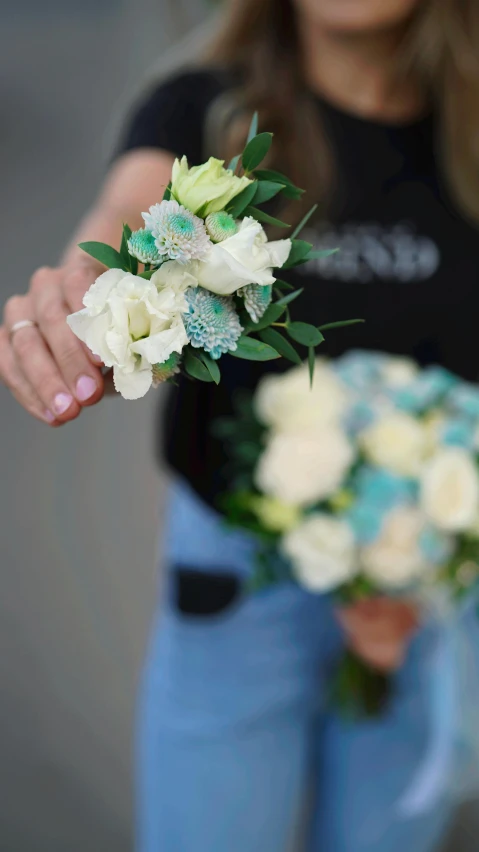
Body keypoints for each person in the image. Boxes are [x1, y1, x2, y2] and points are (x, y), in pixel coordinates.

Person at [2, 0, 479, 849]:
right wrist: (86, 306)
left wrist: (419, 555)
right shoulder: (203, 110)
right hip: (236, 585)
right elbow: (126, 222)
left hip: (424, 593)